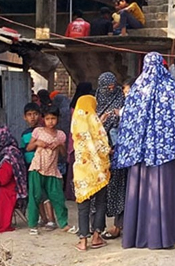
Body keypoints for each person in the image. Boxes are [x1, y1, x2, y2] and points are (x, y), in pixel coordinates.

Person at [113, 52, 175, 249]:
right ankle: (166, 236)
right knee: (165, 191)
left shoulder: (137, 90)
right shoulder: (171, 89)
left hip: (139, 155)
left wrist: (129, 150)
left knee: (140, 192)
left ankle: (136, 236)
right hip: (166, 155)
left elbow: (127, 124)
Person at [72, 93, 111, 251]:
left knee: (83, 206)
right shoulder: (96, 126)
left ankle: (83, 241)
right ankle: (96, 237)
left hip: (81, 172)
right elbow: (104, 148)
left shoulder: (76, 125)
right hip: (99, 172)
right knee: (100, 203)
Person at [26, 104, 69, 234]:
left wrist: (59, 145)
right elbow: (28, 148)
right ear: (43, 119)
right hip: (37, 168)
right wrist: (37, 143)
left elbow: (63, 154)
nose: (50, 122)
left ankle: (63, 223)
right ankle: (33, 225)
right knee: (35, 196)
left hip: (52, 170)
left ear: (58, 119)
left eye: (53, 118)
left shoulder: (60, 135)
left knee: (58, 197)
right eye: (48, 119)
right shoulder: (38, 131)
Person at [95, 72, 127, 239]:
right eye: (107, 87)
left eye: (113, 86)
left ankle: (117, 226)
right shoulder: (95, 103)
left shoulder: (122, 100)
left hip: (117, 153)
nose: (111, 89)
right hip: (99, 155)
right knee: (99, 191)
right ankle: (97, 227)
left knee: (119, 189)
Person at [20, 102, 55, 227]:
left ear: (40, 116)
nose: (32, 117)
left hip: (43, 165)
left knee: (45, 193)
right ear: (25, 117)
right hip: (30, 166)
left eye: (35, 114)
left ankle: (51, 219)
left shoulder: (44, 131)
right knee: (36, 193)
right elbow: (24, 149)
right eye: (29, 115)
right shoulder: (24, 134)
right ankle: (44, 218)